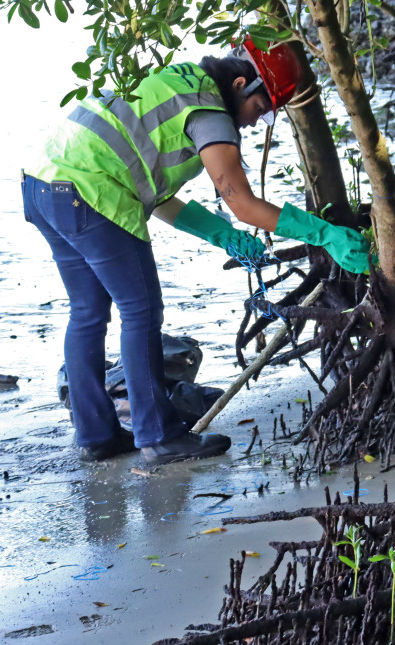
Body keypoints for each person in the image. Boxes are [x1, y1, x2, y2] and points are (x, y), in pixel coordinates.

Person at [21, 38, 371, 465]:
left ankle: (97, 436)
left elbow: (154, 194)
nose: (253, 122)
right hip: (90, 192)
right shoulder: (210, 110)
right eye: (259, 109)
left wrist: (216, 234)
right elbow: (241, 202)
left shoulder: (180, 82)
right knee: (141, 311)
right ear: (241, 84)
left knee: (88, 312)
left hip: (43, 187)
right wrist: (326, 235)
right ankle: (158, 436)